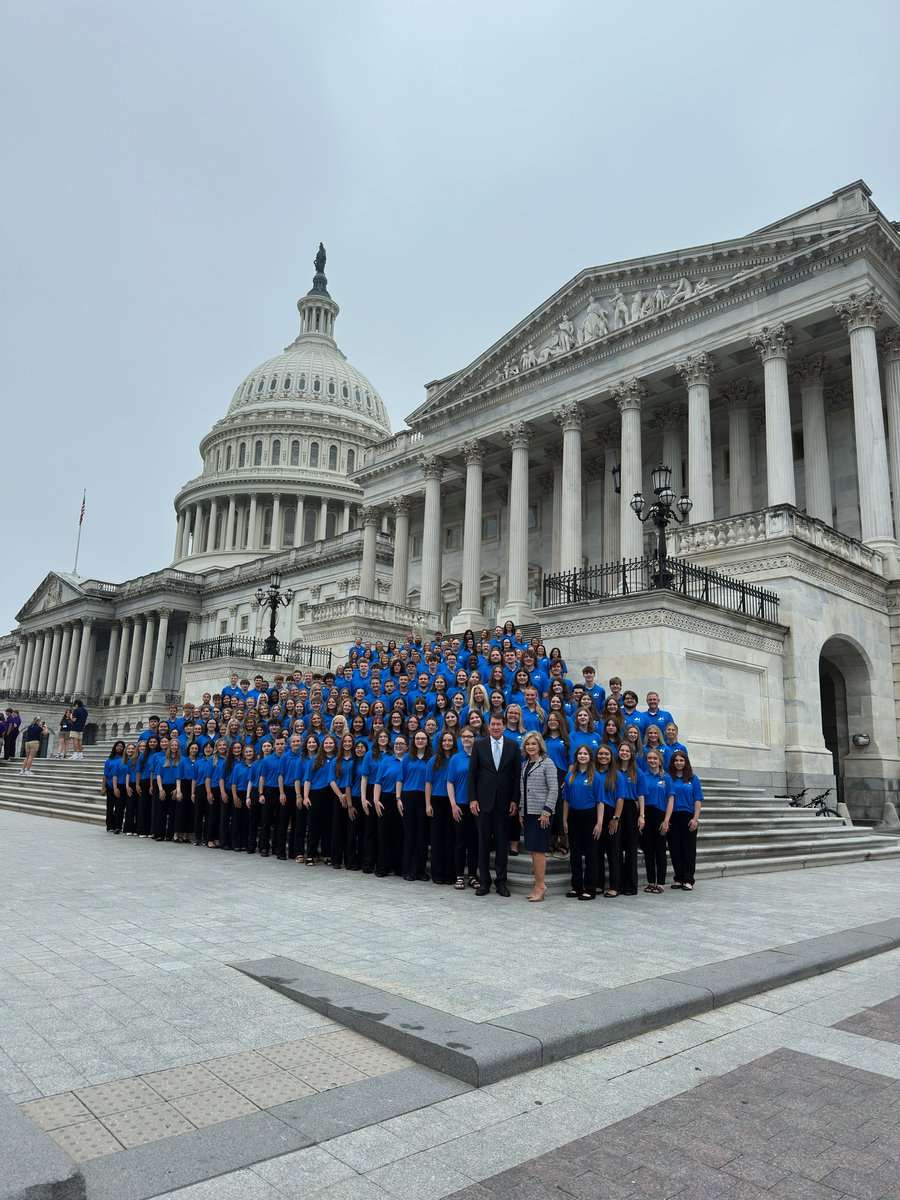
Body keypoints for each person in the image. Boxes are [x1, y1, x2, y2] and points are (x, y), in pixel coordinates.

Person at [468, 714, 521, 897]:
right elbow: (472, 775)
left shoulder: (513, 746)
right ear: (489, 726)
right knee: (483, 845)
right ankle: (484, 882)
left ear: (504, 726)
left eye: (499, 724)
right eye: (493, 724)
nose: (496, 727)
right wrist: (472, 799)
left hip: (504, 804)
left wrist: (515, 800)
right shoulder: (479, 745)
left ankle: (501, 882)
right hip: (483, 803)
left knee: (501, 845)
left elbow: (517, 777)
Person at [519, 731, 558, 903]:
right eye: (528, 744)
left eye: (534, 744)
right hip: (528, 812)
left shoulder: (547, 763)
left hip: (541, 814)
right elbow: (523, 789)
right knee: (533, 850)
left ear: (540, 745)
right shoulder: (525, 763)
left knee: (538, 851)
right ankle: (537, 885)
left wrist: (546, 811)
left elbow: (554, 789)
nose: (530, 747)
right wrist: (521, 810)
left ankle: (541, 885)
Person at [562, 744, 603, 900]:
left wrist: (599, 823)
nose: (583, 756)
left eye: (585, 753)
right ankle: (576, 887)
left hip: (590, 816)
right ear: (576, 756)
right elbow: (566, 800)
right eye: (580, 753)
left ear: (590, 756)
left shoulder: (596, 776)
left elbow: (600, 801)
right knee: (575, 854)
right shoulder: (570, 776)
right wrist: (564, 820)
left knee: (591, 854)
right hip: (573, 816)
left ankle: (590, 888)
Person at [447, 726, 477, 889]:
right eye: (463, 736)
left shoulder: (480, 757)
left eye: (469, 736)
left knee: (474, 842)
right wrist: (453, 804)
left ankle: (473, 875)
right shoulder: (455, 758)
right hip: (459, 806)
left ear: (475, 738)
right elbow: (450, 782)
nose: (466, 739)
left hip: (476, 806)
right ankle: (459, 876)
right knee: (460, 842)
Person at [668, 751, 703, 891]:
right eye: (676, 760)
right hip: (672, 816)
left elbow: (698, 800)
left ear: (686, 762)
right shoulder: (669, 778)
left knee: (688, 849)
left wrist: (695, 819)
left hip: (688, 817)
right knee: (674, 848)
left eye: (681, 760)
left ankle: (688, 879)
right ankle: (679, 878)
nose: (679, 763)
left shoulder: (693, 779)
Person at [641, 748, 674, 893]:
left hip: (660, 815)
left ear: (660, 760)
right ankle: (650, 881)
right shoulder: (643, 776)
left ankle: (660, 882)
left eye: (655, 758)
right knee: (648, 850)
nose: (652, 761)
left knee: (660, 850)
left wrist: (666, 820)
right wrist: (641, 816)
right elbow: (640, 797)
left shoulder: (666, 778)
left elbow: (671, 799)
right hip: (647, 814)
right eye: (649, 758)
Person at [615, 742, 645, 895]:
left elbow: (641, 795)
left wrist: (641, 815)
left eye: (627, 750)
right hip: (616, 808)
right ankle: (618, 884)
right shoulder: (613, 770)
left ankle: (631, 886)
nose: (624, 753)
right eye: (622, 750)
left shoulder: (637, 772)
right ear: (618, 752)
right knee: (617, 848)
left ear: (631, 754)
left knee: (631, 849)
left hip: (631, 809)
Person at [102, 740, 127, 832]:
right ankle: (110, 825)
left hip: (120, 785)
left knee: (119, 807)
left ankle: (118, 826)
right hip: (109, 784)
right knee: (110, 806)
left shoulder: (125, 760)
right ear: (114, 747)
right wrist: (103, 788)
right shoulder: (109, 760)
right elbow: (105, 774)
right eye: (118, 746)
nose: (119, 748)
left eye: (121, 746)